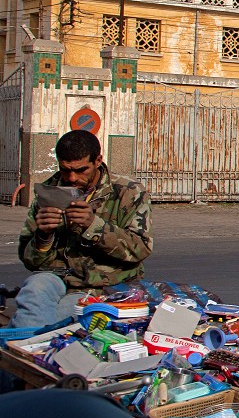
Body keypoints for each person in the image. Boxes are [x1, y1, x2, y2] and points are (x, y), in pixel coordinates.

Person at [13, 130, 152, 328]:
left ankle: (39, 343)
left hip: (101, 286)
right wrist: (43, 236)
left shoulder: (128, 192)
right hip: (54, 278)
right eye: (65, 169)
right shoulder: (48, 191)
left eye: (80, 170)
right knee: (34, 292)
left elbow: (140, 249)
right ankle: (26, 345)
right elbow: (30, 261)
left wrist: (93, 226)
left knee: (64, 322)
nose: (71, 178)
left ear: (97, 161)